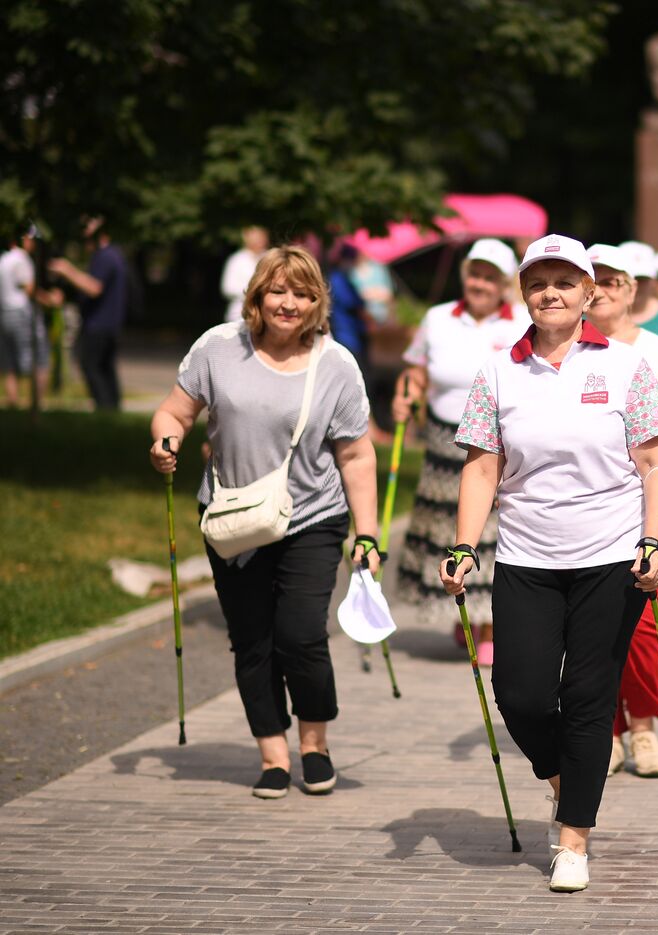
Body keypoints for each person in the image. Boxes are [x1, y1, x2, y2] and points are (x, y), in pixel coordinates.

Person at [439, 234, 658, 893]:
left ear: (588, 292)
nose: (551, 291)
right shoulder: (498, 372)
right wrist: (463, 544)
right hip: (526, 556)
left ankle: (574, 837)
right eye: (538, 280)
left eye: (565, 281)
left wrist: (654, 543)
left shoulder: (627, 366)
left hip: (612, 557)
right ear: (524, 292)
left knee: (588, 695)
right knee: (519, 692)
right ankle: (567, 781)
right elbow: (482, 467)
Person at [149, 246, 380, 799]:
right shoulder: (218, 347)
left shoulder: (336, 364)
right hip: (233, 516)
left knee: (301, 636)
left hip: (312, 517)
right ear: (258, 294)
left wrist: (368, 534)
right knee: (252, 639)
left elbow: (356, 455)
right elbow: (175, 412)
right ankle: (273, 754)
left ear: (317, 302)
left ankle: (314, 744)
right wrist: (166, 441)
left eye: (303, 293)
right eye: (279, 291)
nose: (289, 303)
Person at [586, 243, 658, 779]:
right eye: (597, 280)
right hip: (585, 515)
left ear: (634, 290)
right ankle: (605, 728)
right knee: (587, 629)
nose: (605, 290)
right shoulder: (563, 350)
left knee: (646, 629)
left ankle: (643, 727)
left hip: (647, 515)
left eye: (616, 281)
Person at [395, 238, 523, 663]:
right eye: (475, 273)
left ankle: (488, 624)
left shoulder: (520, 321)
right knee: (449, 527)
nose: (480, 283)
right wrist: (407, 395)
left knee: (489, 531)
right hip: (441, 439)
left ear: (505, 283)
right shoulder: (437, 319)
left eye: (490, 276)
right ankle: (463, 611)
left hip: (494, 443)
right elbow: (417, 368)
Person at [47, 216, 128, 410]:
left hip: (99, 324)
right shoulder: (113, 255)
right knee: (105, 368)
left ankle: (105, 408)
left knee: (91, 366)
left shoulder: (105, 256)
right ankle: (112, 410)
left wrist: (67, 270)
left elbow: (93, 287)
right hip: (108, 323)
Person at [0, 224, 58, 407]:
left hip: (4, 312)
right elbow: (29, 289)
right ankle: (35, 404)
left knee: (9, 360)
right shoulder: (21, 260)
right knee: (39, 357)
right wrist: (50, 299)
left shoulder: (4, 260)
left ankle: (13, 400)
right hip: (22, 313)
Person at [326, 242, 369, 373]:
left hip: (354, 333)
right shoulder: (337, 279)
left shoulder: (344, 277)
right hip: (345, 334)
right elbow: (351, 303)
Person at [221, 226, 269, 323]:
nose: (259, 242)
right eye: (255, 239)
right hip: (239, 313)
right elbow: (228, 288)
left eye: (261, 238)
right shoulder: (237, 259)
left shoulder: (269, 257)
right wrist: (254, 291)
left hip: (266, 313)